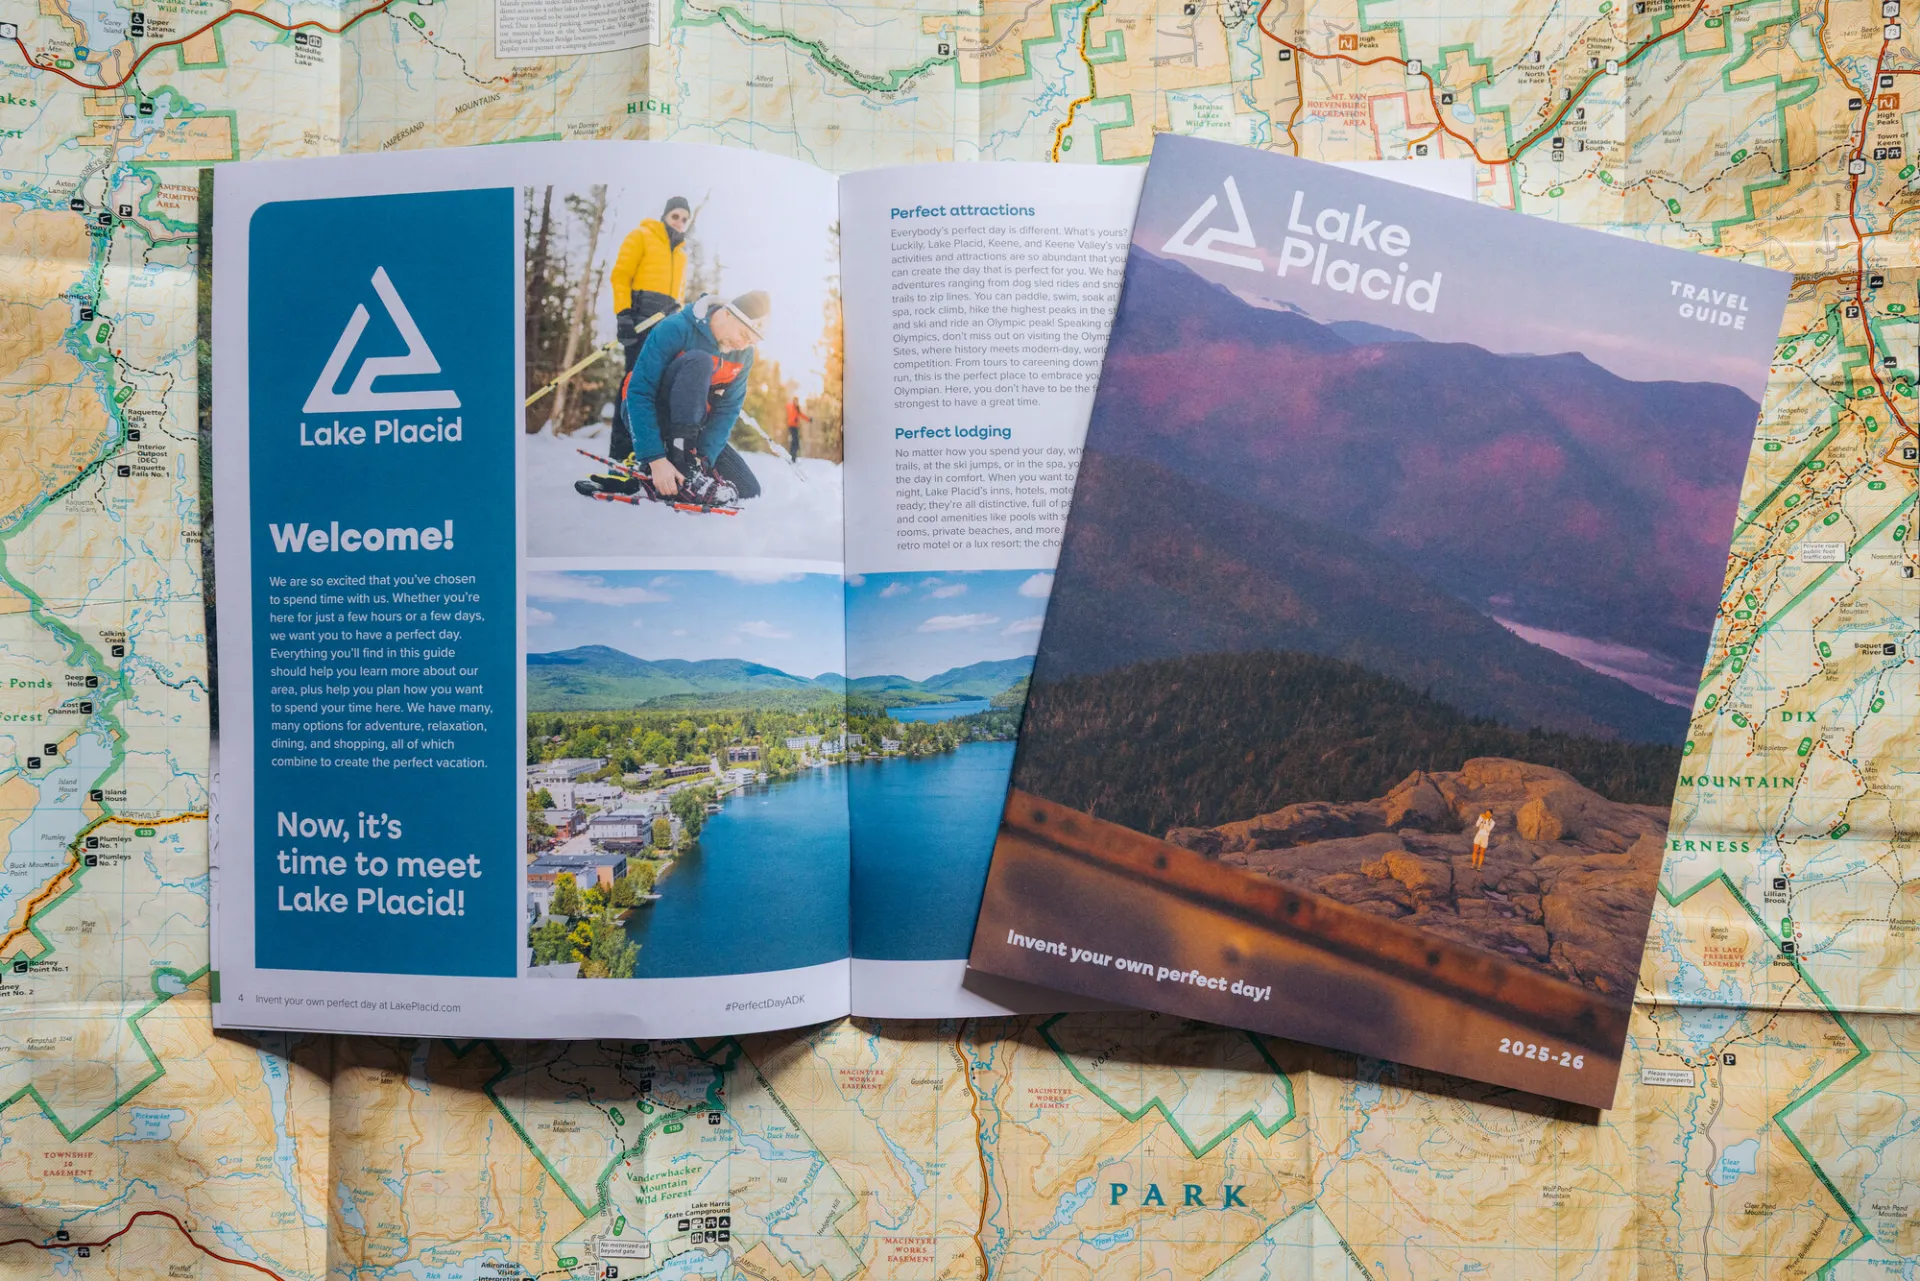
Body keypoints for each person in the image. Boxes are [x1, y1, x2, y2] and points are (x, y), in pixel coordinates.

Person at [579, 290, 771, 507]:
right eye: (744, 335)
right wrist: (655, 458)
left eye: (751, 342)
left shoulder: (743, 355)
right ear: (727, 314)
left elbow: (728, 410)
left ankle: (675, 472)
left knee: (748, 490)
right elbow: (639, 391)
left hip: (692, 430)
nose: (743, 345)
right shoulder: (676, 328)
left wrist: (704, 460)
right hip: (651, 412)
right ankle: (673, 464)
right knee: (700, 362)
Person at [606, 196, 691, 462]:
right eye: (675, 216)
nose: (679, 222)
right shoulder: (641, 235)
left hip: (666, 323)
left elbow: (679, 295)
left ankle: (650, 455)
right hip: (640, 319)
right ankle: (622, 456)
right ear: (665, 215)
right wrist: (623, 316)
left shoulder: (681, 253)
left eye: (685, 219)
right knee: (634, 384)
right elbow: (620, 276)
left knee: (659, 387)